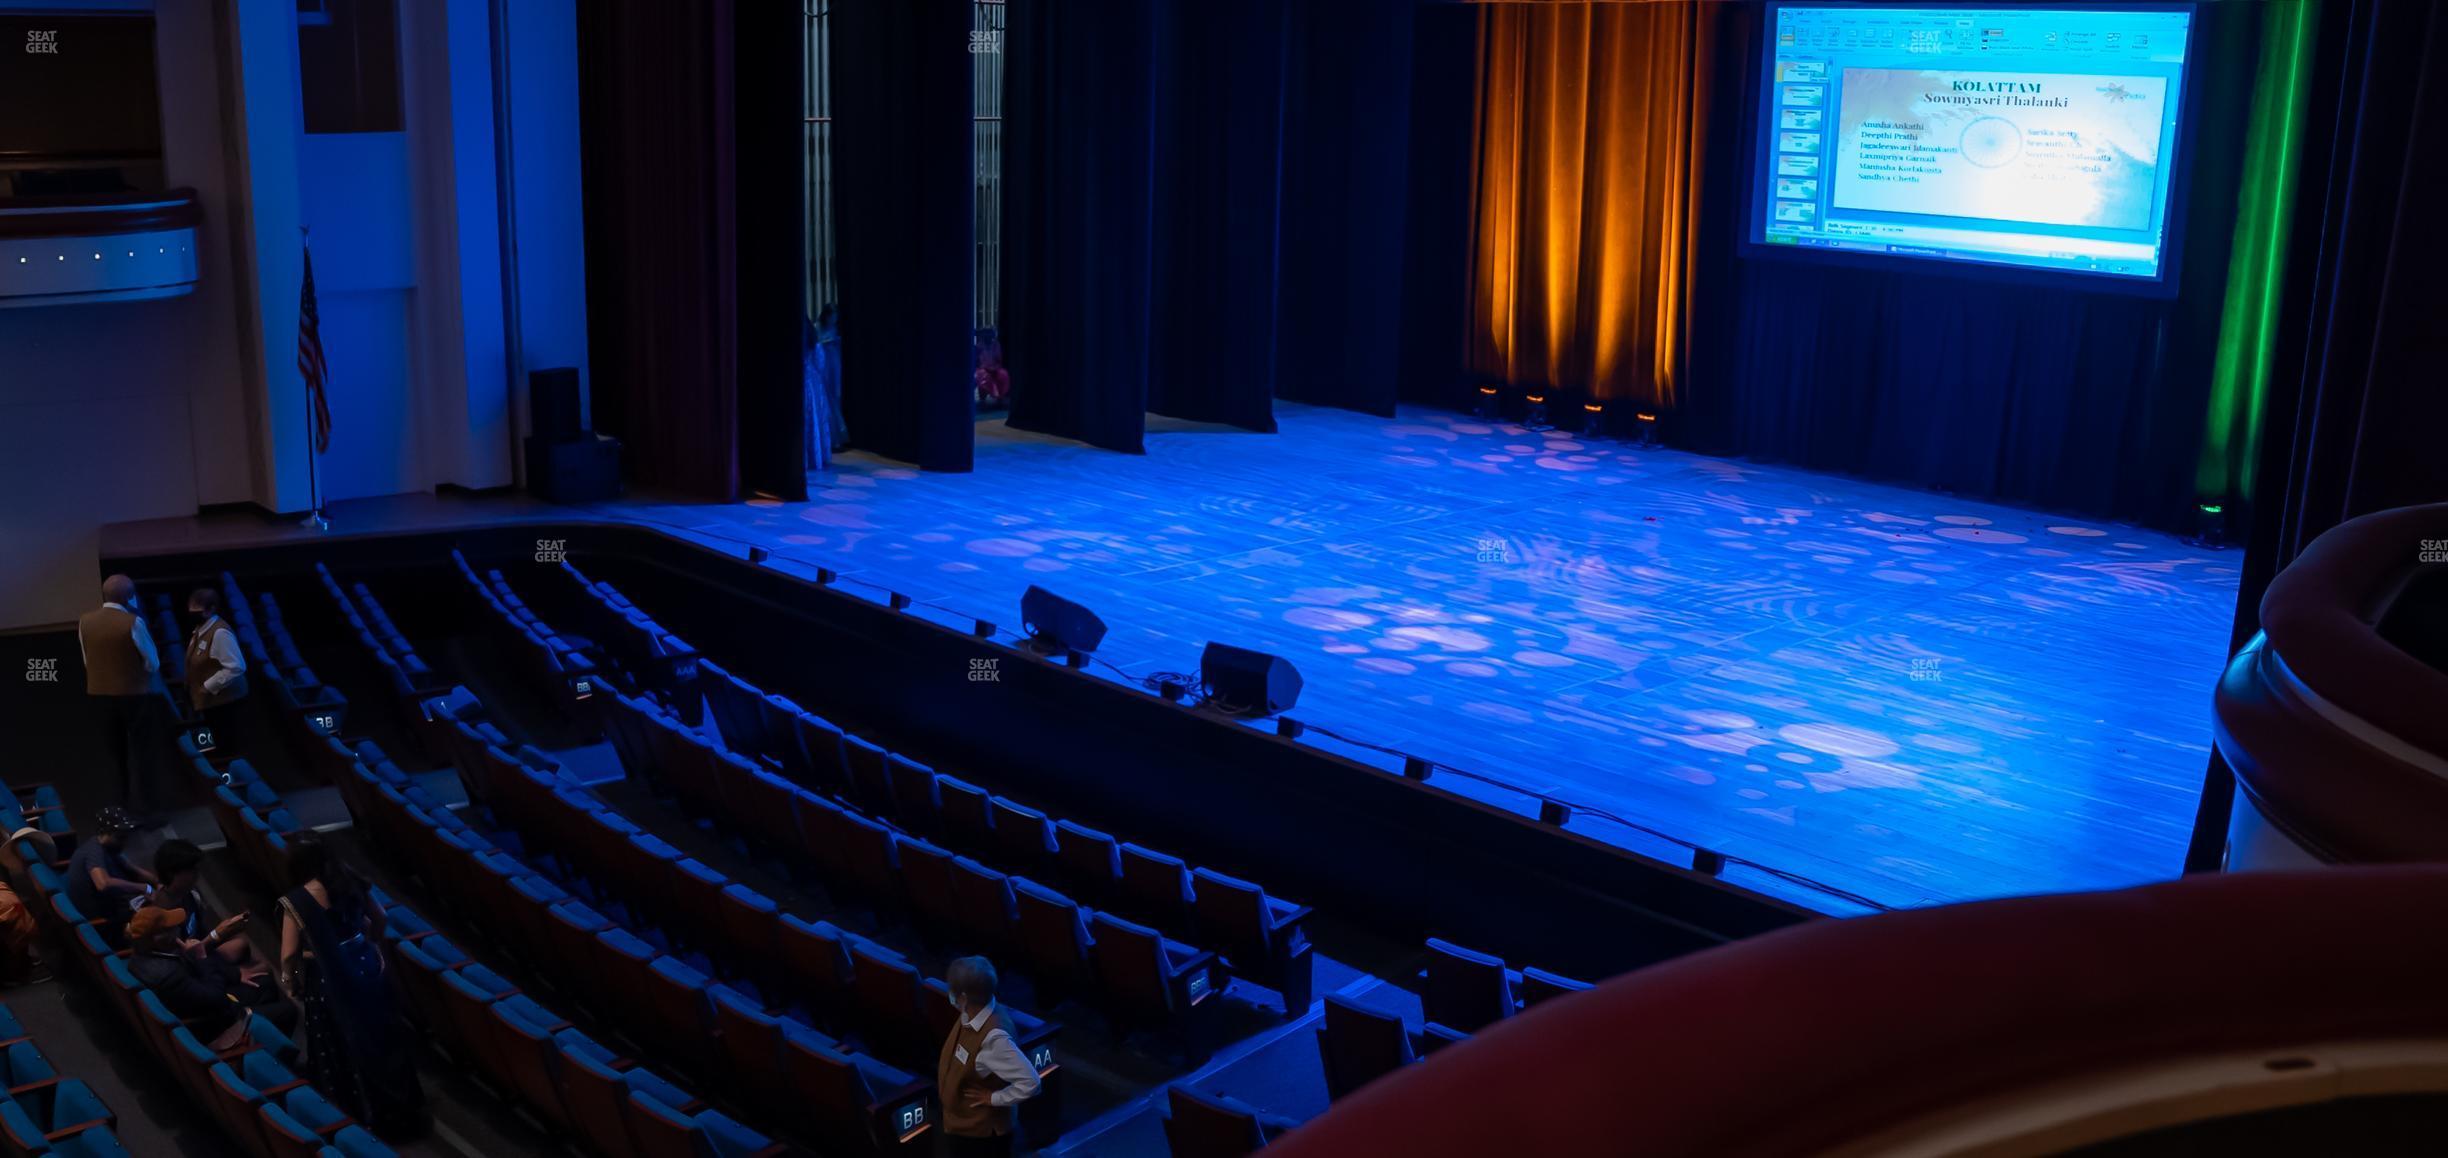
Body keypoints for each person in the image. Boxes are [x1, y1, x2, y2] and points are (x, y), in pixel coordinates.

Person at [278, 838, 424, 1138]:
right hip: (368, 968)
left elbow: (289, 954)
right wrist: (370, 944)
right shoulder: (350, 882)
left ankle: (360, 1115)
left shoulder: (296, 901)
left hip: (330, 981)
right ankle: (401, 1105)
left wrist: (292, 984)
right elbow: (381, 918)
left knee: (344, 1043)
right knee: (382, 1035)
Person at [127, 904, 294, 1049]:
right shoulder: (170, 976)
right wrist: (201, 955)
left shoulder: (138, 958)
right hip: (215, 1023)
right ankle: (262, 1050)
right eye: (171, 928)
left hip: (205, 1000)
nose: (177, 929)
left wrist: (234, 975)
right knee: (288, 1011)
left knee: (264, 982)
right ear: (158, 938)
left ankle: (261, 1038)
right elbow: (216, 998)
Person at [936, 956, 1042, 1157]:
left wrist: (994, 1098)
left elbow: (1031, 1082)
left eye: (953, 991)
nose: (950, 994)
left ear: (964, 998)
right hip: (960, 1125)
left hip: (980, 1136)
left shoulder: (995, 1039)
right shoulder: (972, 1011)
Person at [78, 575, 164, 817]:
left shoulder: (85, 621)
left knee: (114, 753)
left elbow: (88, 661)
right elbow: (152, 663)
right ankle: (148, 810)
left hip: (99, 696)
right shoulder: (133, 622)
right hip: (134, 695)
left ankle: (118, 808)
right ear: (129, 596)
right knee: (143, 751)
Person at [145, 839, 273, 987]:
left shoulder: (190, 896)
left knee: (240, 943)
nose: (197, 874)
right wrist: (217, 936)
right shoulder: (163, 916)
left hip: (202, 953)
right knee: (264, 968)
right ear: (172, 873)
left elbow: (198, 935)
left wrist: (222, 932)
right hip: (193, 969)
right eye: (191, 870)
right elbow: (183, 959)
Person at [183, 588, 249, 752]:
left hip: (224, 701)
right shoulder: (200, 628)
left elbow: (236, 666)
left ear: (211, 609)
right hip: (211, 702)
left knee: (228, 744)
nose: (192, 615)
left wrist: (208, 686)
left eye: (197, 611)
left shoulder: (220, 633)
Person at [65, 807, 151, 929]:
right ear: (106, 832)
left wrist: (157, 883)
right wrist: (144, 888)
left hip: (112, 905)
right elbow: (103, 884)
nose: (125, 842)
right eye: (120, 837)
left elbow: (131, 869)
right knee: (157, 914)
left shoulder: (109, 848)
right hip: (102, 921)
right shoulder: (94, 851)